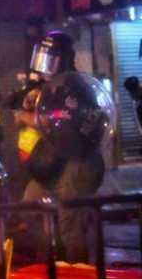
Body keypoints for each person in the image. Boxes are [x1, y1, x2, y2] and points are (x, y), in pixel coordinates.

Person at [12, 31, 105, 263]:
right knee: (29, 206)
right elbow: (23, 118)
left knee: (70, 226)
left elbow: (51, 123)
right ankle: (58, 259)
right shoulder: (50, 87)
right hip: (55, 163)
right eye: (42, 59)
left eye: (50, 60)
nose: (44, 68)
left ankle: (79, 278)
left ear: (64, 60)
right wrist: (28, 103)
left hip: (78, 164)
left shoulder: (75, 88)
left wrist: (26, 115)